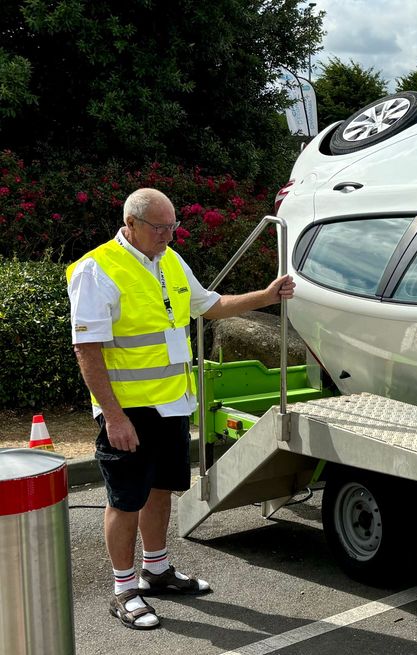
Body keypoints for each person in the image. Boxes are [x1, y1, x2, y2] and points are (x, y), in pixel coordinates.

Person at [67, 188, 295, 630]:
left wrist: (265, 296)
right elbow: (87, 349)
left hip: (173, 406)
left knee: (161, 490)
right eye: (159, 227)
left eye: (172, 226)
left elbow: (209, 306)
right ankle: (124, 590)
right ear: (130, 224)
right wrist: (113, 416)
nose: (168, 235)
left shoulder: (170, 260)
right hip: (130, 411)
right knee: (125, 500)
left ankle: (156, 570)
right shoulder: (97, 269)